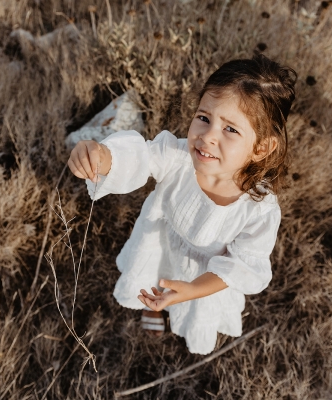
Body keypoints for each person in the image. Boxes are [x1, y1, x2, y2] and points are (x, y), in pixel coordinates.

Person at [67, 54, 297, 355]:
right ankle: (150, 304)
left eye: (230, 129)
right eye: (204, 118)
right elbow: (142, 156)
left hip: (202, 275)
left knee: (191, 304)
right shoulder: (177, 157)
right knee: (153, 280)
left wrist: (191, 290)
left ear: (261, 147)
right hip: (159, 242)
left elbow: (240, 264)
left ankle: (181, 305)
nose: (207, 137)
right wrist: (100, 154)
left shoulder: (259, 208)